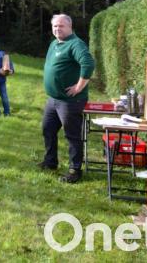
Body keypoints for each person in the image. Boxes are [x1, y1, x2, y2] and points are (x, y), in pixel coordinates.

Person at [38, 14, 96, 184]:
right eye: (55, 26)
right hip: (53, 99)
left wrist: (79, 87)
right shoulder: (54, 43)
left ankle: (74, 170)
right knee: (48, 129)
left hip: (70, 102)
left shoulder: (76, 44)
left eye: (61, 26)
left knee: (72, 135)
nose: (57, 29)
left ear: (70, 26)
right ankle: (50, 162)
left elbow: (88, 64)